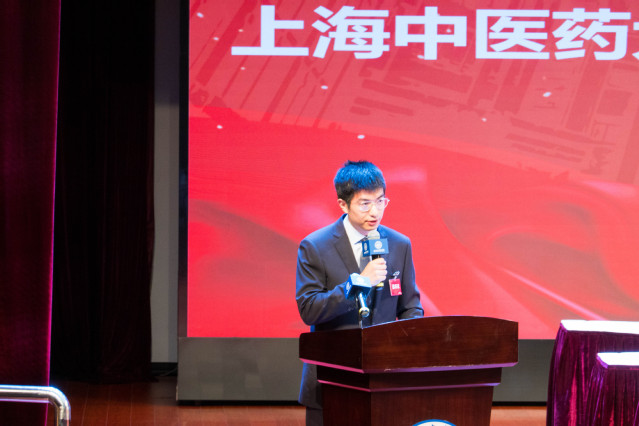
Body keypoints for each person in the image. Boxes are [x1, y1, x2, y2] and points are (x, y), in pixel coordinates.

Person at [295, 160, 424, 426]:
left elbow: (410, 307)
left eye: (380, 201)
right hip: (331, 379)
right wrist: (358, 284)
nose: (375, 211)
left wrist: (409, 352)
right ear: (343, 204)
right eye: (365, 204)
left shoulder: (399, 244)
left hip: (385, 381)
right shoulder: (315, 246)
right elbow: (309, 309)